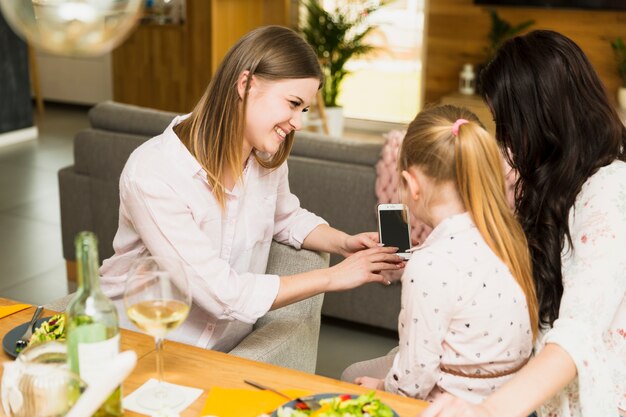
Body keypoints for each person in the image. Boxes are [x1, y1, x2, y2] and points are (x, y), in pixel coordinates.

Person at [99, 25, 403, 352]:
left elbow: (285, 217)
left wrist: (344, 242)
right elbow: (221, 294)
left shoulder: (265, 155)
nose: (298, 122)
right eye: (292, 103)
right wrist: (334, 277)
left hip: (228, 343)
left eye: (304, 109)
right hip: (147, 341)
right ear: (246, 84)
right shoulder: (155, 174)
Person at [421, 30, 626, 417]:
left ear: (541, 118)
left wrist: (489, 410)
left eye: (508, 125)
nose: (506, 142)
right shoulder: (553, 178)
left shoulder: (610, 189)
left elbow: (579, 330)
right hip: (529, 372)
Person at [341, 104, 539, 404]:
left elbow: (413, 379)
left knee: (350, 376)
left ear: (411, 185)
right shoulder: (506, 235)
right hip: (511, 400)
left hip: (451, 405)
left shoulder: (428, 267)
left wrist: (380, 387)